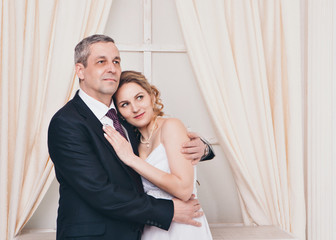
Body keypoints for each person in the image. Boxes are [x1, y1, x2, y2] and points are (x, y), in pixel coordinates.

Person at [47, 34, 214, 240]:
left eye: (116, 61)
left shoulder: (126, 119)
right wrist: (169, 210)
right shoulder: (67, 122)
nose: (112, 68)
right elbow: (99, 191)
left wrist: (203, 148)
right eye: (101, 61)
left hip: (140, 232)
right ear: (80, 70)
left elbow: (158, 145)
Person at [103, 70, 213, 239]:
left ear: (152, 97)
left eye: (139, 97)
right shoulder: (132, 142)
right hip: (151, 226)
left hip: (183, 226)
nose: (135, 108)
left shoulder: (171, 126)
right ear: (118, 112)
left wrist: (132, 160)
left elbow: (184, 189)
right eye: (125, 104)